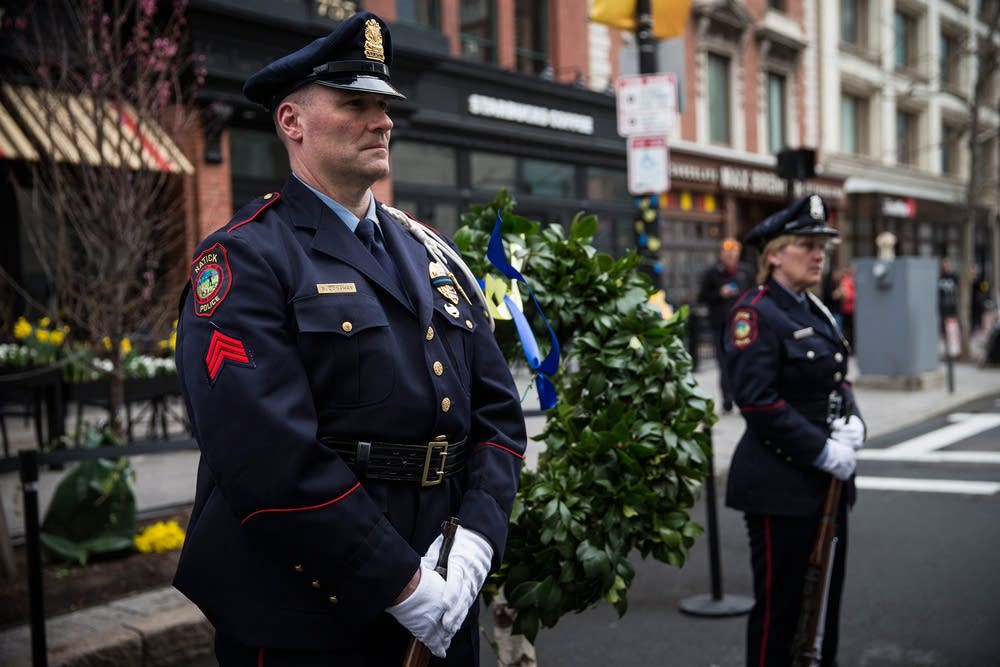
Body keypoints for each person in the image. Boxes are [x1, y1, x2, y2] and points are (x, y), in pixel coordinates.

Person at [173, 12, 527, 665]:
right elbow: (265, 458)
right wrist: (404, 584)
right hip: (313, 612)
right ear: (292, 122)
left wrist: (476, 541)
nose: (383, 119)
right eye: (354, 103)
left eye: (385, 104)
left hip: (446, 591)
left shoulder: (433, 254)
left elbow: (499, 416)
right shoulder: (245, 260)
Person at [723, 194, 865, 667]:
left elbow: (837, 379)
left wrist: (854, 423)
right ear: (775, 254)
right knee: (781, 614)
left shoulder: (814, 310)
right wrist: (823, 451)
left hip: (826, 484)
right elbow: (757, 400)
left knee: (822, 607)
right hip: (780, 485)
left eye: (823, 244)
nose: (819, 253)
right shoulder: (755, 313)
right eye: (807, 243)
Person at [697, 237, 754, 412]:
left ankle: (745, 398)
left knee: (745, 362)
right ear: (721, 254)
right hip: (720, 325)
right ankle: (728, 400)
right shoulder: (712, 272)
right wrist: (719, 294)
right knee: (725, 364)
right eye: (727, 252)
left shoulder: (746, 271)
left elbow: (755, 293)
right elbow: (701, 298)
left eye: (734, 252)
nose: (731, 255)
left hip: (743, 326)